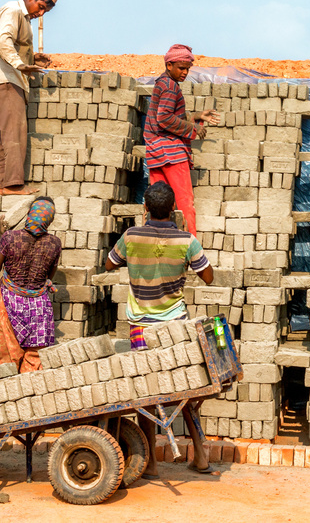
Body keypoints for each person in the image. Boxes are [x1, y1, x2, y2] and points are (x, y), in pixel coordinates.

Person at [104, 181, 214, 475]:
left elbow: (109, 264)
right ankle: (201, 456)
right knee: (186, 389)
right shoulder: (186, 240)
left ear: (145, 208)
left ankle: (151, 462)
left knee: (148, 393)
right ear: (173, 209)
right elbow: (209, 277)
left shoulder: (130, 237)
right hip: (174, 327)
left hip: (140, 325)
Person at [0, 0, 58, 196]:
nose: (41, 13)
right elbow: (4, 41)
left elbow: (15, 48)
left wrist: (33, 59)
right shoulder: (12, 10)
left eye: (45, 11)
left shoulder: (24, 19)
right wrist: (20, 65)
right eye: (40, 7)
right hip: (4, 78)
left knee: (5, 135)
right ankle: (13, 184)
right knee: (15, 132)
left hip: (9, 77)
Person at [143, 44, 219, 237]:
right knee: (185, 202)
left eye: (188, 69)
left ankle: (152, 244)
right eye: (181, 68)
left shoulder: (161, 82)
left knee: (156, 203)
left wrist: (197, 115)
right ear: (169, 65)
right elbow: (165, 118)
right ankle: (191, 251)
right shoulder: (170, 86)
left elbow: (168, 114)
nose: (185, 72)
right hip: (172, 153)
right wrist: (193, 128)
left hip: (155, 152)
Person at [0, 197, 61, 373]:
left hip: (10, 305)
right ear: (49, 221)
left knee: (3, 361)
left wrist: (1, 237)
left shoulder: (10, 238)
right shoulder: (54, 243)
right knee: (34, 365)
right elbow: (48, 276)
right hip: (39, 309)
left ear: (29, 215)